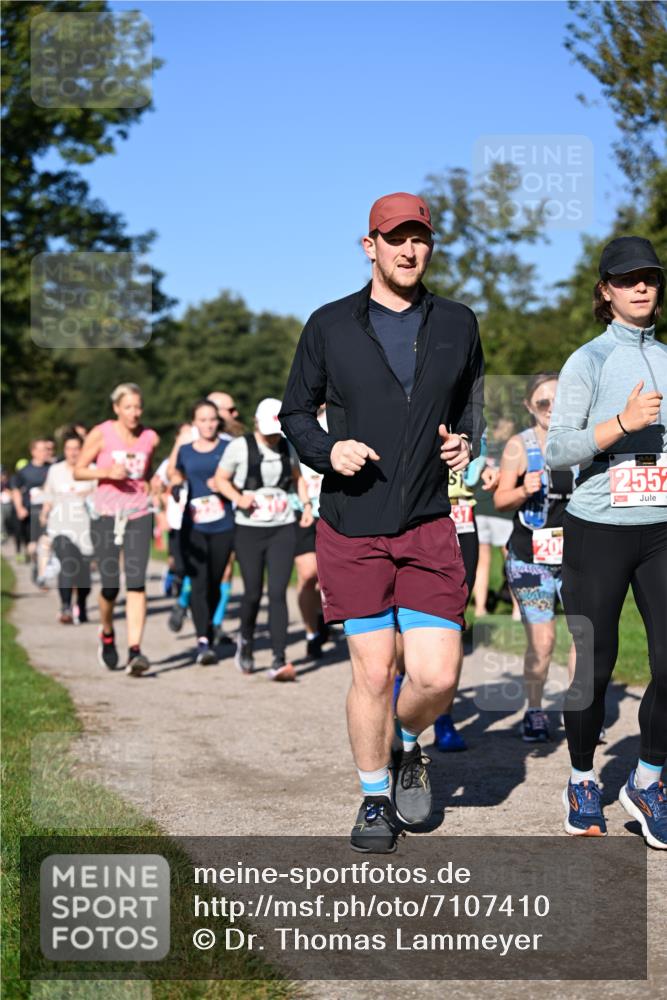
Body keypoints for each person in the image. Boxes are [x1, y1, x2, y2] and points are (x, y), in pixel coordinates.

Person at [280, 192, 484, 853]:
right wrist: (326, 450)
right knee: (372, 673)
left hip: (428, 522)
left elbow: (469, 402)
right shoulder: (329, 325)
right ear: (369, 246)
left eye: (419, 238)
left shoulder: (457, 322)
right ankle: (373, 799)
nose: (408, 250)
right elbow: (295, 412)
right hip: (353, 524)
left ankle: (406, 740)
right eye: (395, 238)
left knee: (437, 676)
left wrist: (466, 441)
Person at [546, 236, 667, 848]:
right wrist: (622, 423)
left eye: (650, 276)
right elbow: (556, 449)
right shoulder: (587, 361)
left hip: (662, 529)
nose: (641, 286)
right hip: (597, 530)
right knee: (594, 665)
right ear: (605, 291)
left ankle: (647, 781)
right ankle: (581, 779)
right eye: (626, 279)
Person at [494, 372, 576, 742]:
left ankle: (580, 713)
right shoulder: (519, 446)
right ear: (530, 406)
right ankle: (535, 710)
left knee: (584, 638)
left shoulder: (581, 441)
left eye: (559, 399)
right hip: (529, 558)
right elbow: (500, 500)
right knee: (542, 643)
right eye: (543, 402)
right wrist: (522, 490)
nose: (552, 408)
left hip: (576, 557)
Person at [215, 397, 311, 681]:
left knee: (278, 592)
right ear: (256, 423)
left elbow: (298, 478)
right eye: (268, 432)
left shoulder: (287, 446)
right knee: (253, 593)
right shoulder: (239, 447)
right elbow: (220, 479)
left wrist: (306, 506)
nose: (272, 438)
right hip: (249, 529)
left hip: (282, 527)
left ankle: (279, 658)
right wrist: (237, 498)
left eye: (275, 432)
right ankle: (245, 640)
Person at [74, 383, 159, 675]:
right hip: (106, 514)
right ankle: (107, 632)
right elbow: (79, 469)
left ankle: (135, 650)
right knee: (110, 585)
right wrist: (107, 472)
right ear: (116, 408)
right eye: (128, 407)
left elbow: (147, 471)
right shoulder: (101, 433)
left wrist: (151, 483)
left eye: (138, 407)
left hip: (138, 513)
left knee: (136, 583)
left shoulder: (150, 437)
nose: (134, 413)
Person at [167, 400, 235, 664]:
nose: (208, 425)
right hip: (193, 526)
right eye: (202, 420)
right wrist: (176, 484)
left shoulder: (229, 447)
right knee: (198, 582)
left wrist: (223, 483)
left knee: (215, 582)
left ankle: (208, 628)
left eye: (212, 419)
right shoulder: (185, 450)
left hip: (223, 525)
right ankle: (203, 641)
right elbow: (175, 472)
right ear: (194, 423)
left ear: (218, 421)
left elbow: (241, 477)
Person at [40, 431, 95, 624]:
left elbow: (100, 496)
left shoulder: (92, 470)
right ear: (64, 450)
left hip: (87, 530)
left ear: (83, 450)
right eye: (69, 449)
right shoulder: (55, 470)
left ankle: (81, 603)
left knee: (84, 573)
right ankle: (65, 607)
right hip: (60, 527)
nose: (73, 453)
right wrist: (44, 513)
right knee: (68, 564)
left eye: (76, 448)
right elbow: (49, 495)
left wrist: (88, 494)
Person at [293, 405, 330, 658]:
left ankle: (321, 614)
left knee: (328, 578)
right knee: (308, 574)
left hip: (334, 507)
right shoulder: (292, 418)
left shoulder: (341, 414)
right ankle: (311, 633)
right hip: (302, 510)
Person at [10, 438, 51, 580]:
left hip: (49, 512)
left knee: (46, 543)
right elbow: (15, 489)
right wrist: (19, 508)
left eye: (47, 449)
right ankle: (37, 566)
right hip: (31, 512)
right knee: (33, 547)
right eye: (42, 450)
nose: (45, 452)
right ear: (33, 452)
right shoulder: (25, 471)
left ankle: (42, 574)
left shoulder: (52, 468)